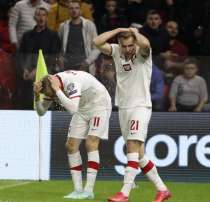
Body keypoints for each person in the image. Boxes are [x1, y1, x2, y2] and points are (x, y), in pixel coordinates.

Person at [93, 28, 171, 202]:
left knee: (132, 147)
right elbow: (97, 42)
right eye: (124, 45)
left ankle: (125, 193)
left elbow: (146, 44)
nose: (128, 49)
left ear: (134, 42)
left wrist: (134, 32)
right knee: (140, 155)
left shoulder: (143, 54)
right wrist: (119, 30)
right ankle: (162, 189)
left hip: (140, 106)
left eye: (130, 45)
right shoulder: (116, 51)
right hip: (123, 107)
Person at [34, 70, 112, 199]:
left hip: (99, 105)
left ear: (55, 86)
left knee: (91, 143)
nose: (53, 98)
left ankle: (88, 191)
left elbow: (72, 109)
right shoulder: (51, 87)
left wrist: (57, 91)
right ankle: (78, 190)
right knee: (71, 146)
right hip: (82, 107)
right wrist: (37, 96)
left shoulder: (71, 83)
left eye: (52, 95)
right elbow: (41, 112)